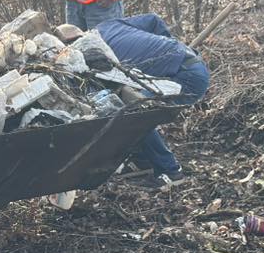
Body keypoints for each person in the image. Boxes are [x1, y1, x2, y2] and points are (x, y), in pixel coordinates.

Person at [88, 12, 210, 182]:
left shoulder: (96, 57)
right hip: (190, 63)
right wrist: (169, 47)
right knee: (131, 108)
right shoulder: (108, 26)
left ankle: (171, 171)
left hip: (185, 76)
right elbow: (154, 20)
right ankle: (143, 161)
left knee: (134, 114)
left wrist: (169, 58)